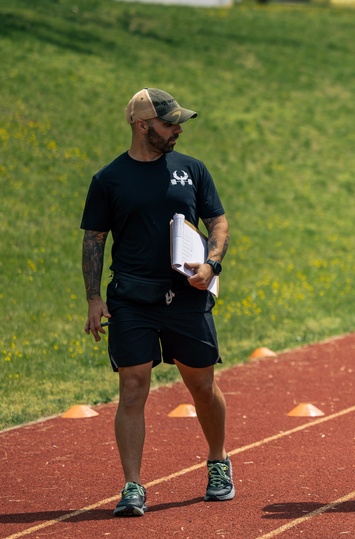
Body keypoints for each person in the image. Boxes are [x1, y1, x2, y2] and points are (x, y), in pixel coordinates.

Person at [81, 88, 233, 517]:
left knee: (201, 385)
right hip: (132, 299)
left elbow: (217, 221)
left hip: (187, 296)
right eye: (169, 123)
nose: (178, 129)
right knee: (132, 386)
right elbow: (94, 240)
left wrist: (212, 265)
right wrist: (93, 298)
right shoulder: (108, 179)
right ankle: (132, 485)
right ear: (141, 124)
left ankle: (218, 460)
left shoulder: (192, 169)